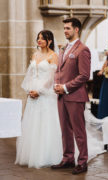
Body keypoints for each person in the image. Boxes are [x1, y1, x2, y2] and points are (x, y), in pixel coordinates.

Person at [15, 30, 63, 168]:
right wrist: (29, 89)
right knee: (32, 122)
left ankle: (48, 154)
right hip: (33, 92)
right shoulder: (35, 54)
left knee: (46, 122)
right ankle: (32, 153)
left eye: (43, 38)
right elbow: (30, 74)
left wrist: (40, 91)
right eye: (38, 38)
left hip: (46, 92)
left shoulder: (53, 56)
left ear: (50, 41)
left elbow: (51, 78)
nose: (39, 40)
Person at [52, 17, 91, 175]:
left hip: (75, 96)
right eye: (64, 28)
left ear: (76, 30)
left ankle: (82, 162)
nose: (65, 31)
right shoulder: (63, 49)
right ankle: (68, 158)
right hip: (61, 96)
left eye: (68, 28)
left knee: (78, 131)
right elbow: (59, 70)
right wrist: (57, 84)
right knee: (65, 130)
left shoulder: (83, 49)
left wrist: (66, 87)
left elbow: (84, 75)